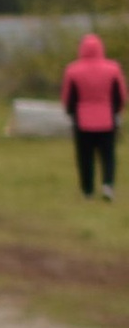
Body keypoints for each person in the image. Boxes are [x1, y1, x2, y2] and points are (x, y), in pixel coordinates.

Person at [61, 30, 123, 202]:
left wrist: (71, 113)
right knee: (108, 155)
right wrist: (117, 111)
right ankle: (108, 185)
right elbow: (119, 95)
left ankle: (87, 190)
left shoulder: (73, 70)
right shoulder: (113, 68)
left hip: (83, 120)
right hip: (107, 119)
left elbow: (69, 97)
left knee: (84, 157)